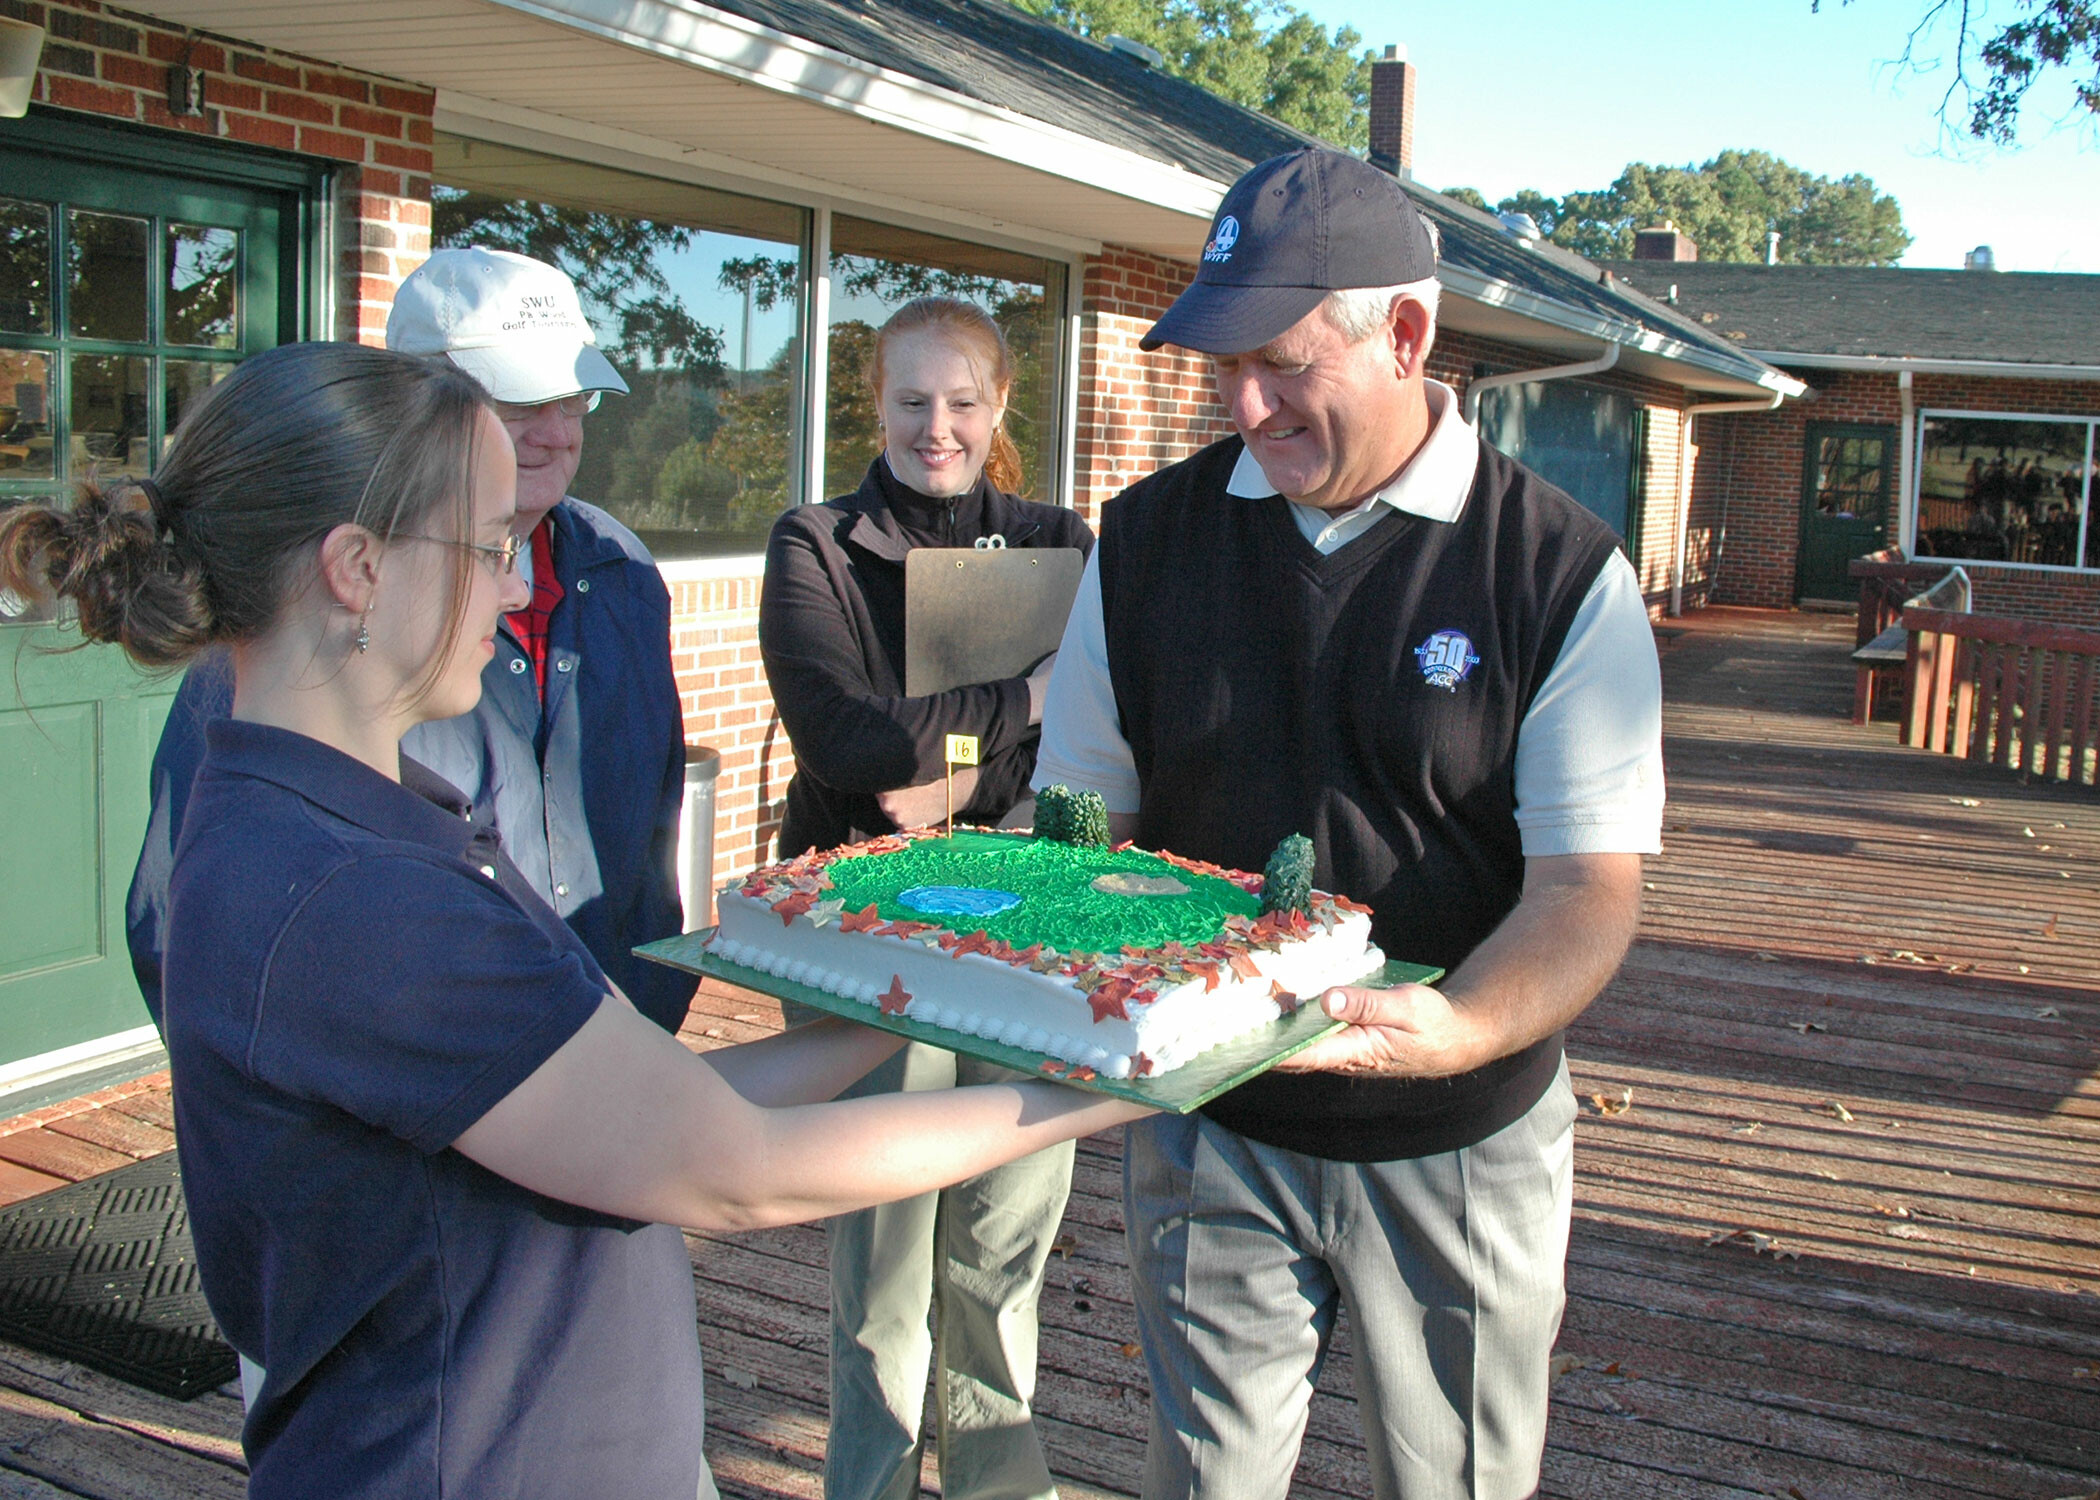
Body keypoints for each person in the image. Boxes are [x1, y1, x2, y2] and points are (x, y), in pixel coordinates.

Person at [0, 340, 1154, 1500]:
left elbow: (642, 1108)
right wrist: (1112, 1075)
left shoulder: (327, 820)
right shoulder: (357, 899)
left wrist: (907, 1001)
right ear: (356, 567)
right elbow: (735, 1170)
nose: (514, 588)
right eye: (490, 545)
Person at [1029, 148, 1665, 1499]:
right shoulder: (1141, 548)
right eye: (1221, 367)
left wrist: (1467, 1030)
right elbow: (1086, 843)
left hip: (1463, 1143)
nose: (1245, 405)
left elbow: (1587, 890)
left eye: (1282, 360)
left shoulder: (1556, 573)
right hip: (1212, 1126)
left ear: (1408, 336)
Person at [126, 247, 693, 1034]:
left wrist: (650, 1002)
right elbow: (186, 914)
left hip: (615, 1057)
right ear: (416, 405)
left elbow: (652, 814)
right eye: (521, 400)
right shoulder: (313, 605)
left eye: (576, 398)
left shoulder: (620, 567)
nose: (557, 433)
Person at [758, 297, 1093, 1500]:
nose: (934, 428)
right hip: (864, 929)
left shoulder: (1065, 545)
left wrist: (940, 775)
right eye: (911, 402)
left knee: (1005, 1241)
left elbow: (1090, 746)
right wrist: (1024, 702)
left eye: (961, 403)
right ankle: (871, 1484)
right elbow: (851, 747)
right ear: (877, 404)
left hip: (1023, 926)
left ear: (1001, 406)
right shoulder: (817, 543)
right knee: (890, 1250)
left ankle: (1001, 1485)